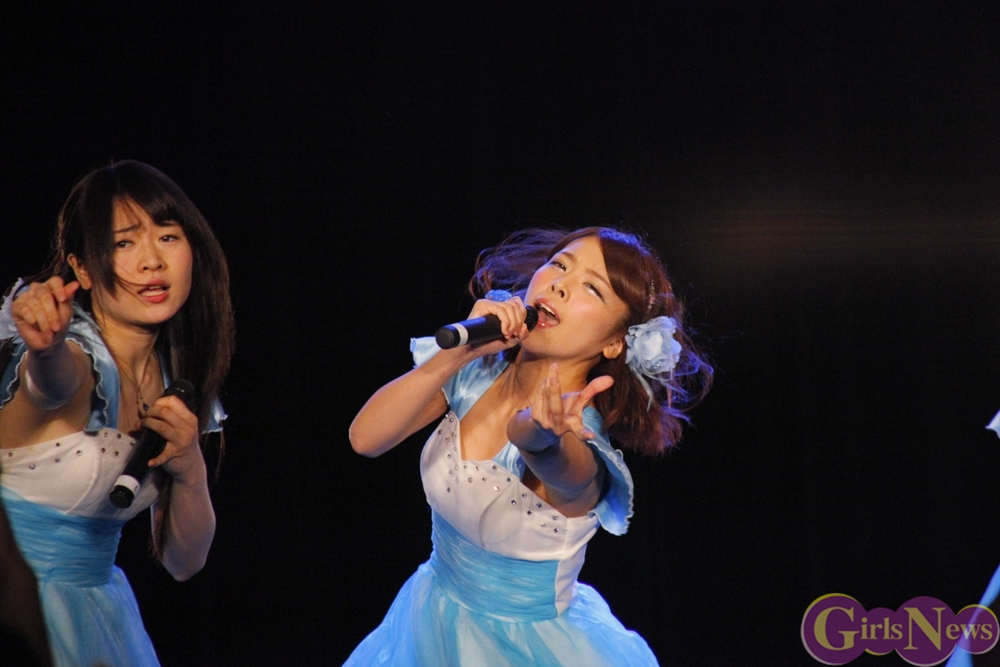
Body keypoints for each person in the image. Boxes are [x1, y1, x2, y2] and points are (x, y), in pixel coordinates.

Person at [347, 227, 712, 666]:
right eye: (559, 265)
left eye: (592, 288)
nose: (559, 284)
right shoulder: (474, 375)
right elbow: (365, 439)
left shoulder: (580, 438)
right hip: (429, 614)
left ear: (615, 342)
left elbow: (547, 453)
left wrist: (540, 433)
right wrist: (458, 355)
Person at [0, 161, 235, 667]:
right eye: (124, 243)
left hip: (97, 613)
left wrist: (190, 466)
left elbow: (184, 562)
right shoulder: (75, 353)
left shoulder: (175, 377)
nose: (152, 261)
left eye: (168, 237)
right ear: (82, 269)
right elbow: (52, 383)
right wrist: (45, 349)